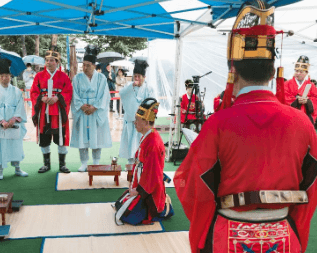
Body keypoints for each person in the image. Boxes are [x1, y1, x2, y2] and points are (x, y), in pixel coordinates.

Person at [174, 1, 317, 253]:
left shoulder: (219, 123)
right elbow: (311, 185)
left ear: (233, 70)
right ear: (274, 72)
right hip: (283, 235)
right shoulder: (302, 122)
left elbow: (190, 182)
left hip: (229, 235)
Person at [114, 98, 173, 225]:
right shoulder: (148, 136)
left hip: (149, 188)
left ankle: (161, 203)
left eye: (137, 120)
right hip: (143, 181)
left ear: (146, 122)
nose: (134, 123)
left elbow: (153, 174)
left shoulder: (153, 143)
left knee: (128, 216)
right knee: (120, 204)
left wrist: (139, 190)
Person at [30, 47, 72, 174]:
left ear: (57, 62)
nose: (49, 63)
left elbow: (69, 92)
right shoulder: (38, 76)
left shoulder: (63, 76)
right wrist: (41, 98)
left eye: (52, 60)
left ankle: (62, 164)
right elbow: (33, 92)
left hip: (59, 112)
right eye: (47, 60)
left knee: (61, 137)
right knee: (44, 137)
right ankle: (46, 164)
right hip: (44, 112)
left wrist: (57, 98)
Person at [70, 45, 112, 172]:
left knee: (96, 137)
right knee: (82, 137)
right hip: (82, 111)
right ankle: (83, 163)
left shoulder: (101, 78)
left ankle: (96, 162)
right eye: (83, 65)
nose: (85, 68)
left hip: (95, 112)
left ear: (94, 65)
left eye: (88, 65)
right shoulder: (77, 78)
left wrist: (95, 107)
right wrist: (82, 106)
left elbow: (104, 95)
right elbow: (74, 94)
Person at [0, 58, 28, 180]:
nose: (5, 78)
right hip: (0, 125)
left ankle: (17, 168)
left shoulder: (16, 92)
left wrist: (13, 119)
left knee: (15, 145)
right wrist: (2, 121)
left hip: (13, 123)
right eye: (2, 76)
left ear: (10, 76)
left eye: (7, 75)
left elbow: (20, 106)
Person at [119, 60, 155, 165]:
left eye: (139, 76)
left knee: (141, 144)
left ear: (144, 77)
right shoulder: (128, 87)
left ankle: (142, 165)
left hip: (143, 122)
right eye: (135, 76)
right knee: (130, 144)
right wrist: (132, 86)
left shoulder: (149, 88)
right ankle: (130, 166)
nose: (137, 79)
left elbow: (152, 104)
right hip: (130, 121)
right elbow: (122, 94)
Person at [284, 55, 317, 124]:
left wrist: (308, 101)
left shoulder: (311, 85)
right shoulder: (287, 84)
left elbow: (315, 98)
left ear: (306, 73)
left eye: (301, 72)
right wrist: (296, 101)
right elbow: (284, 97)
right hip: (291, 115)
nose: (298, 73)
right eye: (296, 71)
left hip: (305, 115)